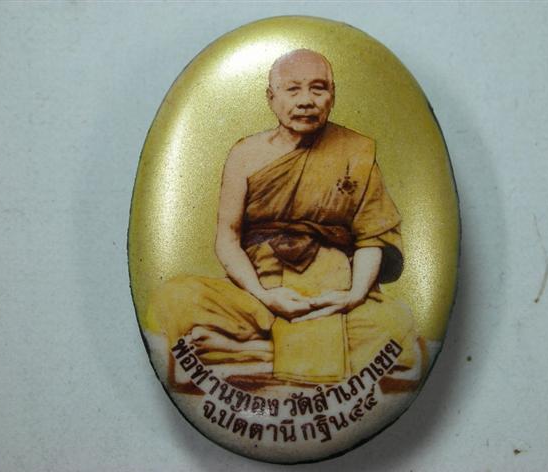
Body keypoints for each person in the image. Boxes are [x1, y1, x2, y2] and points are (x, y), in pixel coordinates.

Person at [143, 49, 418, 385]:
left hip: (332, 292)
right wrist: (264, 295)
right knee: (173, 298)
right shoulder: (245, 154)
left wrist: (353, 296)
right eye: (292, 89)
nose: (306, 101)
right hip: (257, 291)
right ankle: (268, 346)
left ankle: (247, 353)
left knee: (396, 322)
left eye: (318, 89)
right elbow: (227, 239)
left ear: (332, 97)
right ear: (271, 98)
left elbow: (371, 237)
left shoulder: (355, 151)